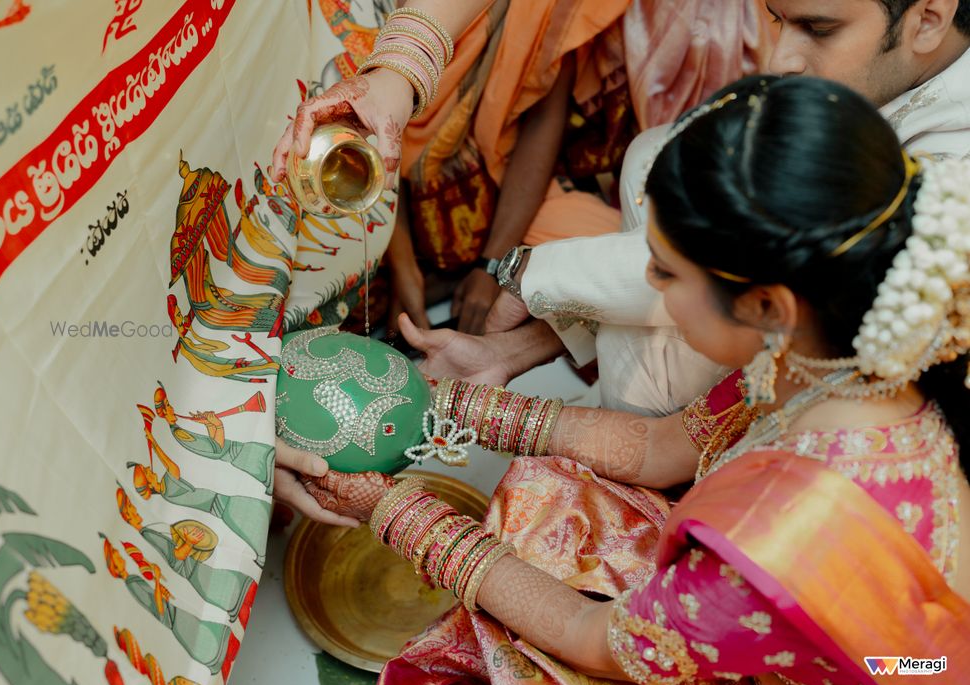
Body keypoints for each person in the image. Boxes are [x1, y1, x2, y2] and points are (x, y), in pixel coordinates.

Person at [278, 75, 970, 685]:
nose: (646, 283)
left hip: (879, 674)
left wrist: (396, 513)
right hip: (880, 655)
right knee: (548, 492)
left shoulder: (784, 535)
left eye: (666, 272)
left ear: (765, 304)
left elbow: (593, 639)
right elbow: (659, 448)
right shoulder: (837, 351)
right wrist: (456, 403)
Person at [397, 0, 970, 417]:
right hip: (682, 398)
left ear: (928, 18)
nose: (782, 59)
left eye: (818, 29)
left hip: (747, 432)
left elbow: (747, 261)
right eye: (776, 19)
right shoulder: (860, 76)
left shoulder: (955, 176)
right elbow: (696, 271)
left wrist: (530, 274)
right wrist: (510, 350)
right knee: (657, 153)